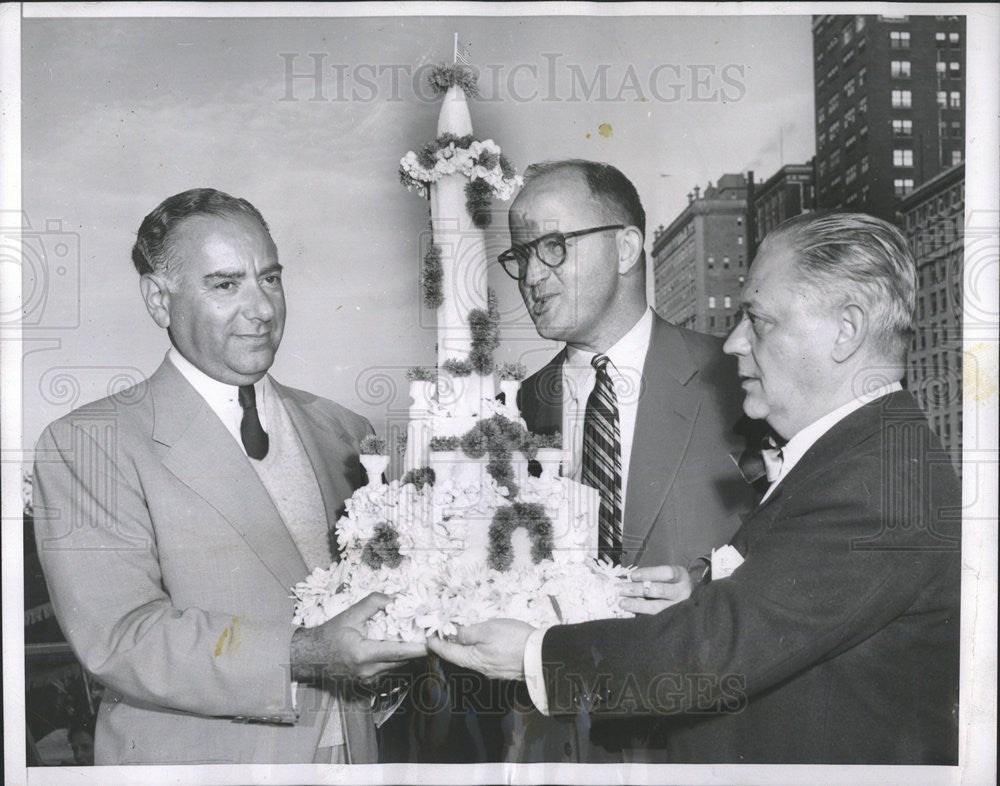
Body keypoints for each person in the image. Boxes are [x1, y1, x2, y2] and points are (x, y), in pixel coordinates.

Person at [430, 211, 961, 764]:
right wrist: (700, 592)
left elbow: (719, 653)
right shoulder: (859, 455)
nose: (733, 344)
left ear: (845, 330)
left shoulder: (876, 481)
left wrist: (534, 657)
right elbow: (788, 608)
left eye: (759, 320)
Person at [32, 188, 426, 765]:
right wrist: (306, 654)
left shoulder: (343, 429)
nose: (262, 309)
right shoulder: (87, 444)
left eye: (270, 278)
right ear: (158, 300)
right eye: (225, 284)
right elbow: (121, 639)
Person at [484, 160, 757, 762]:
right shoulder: (514, 412)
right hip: (559, 745)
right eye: (520, 256)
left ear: (627, 247)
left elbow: (805, 536)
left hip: (704, 739)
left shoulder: (739, 381)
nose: (530, 275)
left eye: (552, 247)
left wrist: (710, 587)